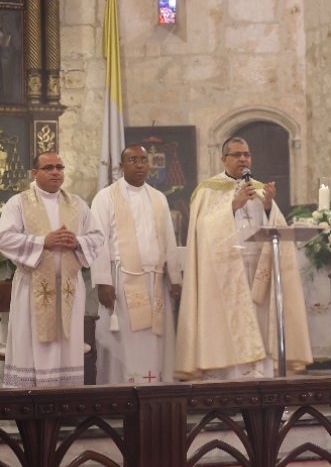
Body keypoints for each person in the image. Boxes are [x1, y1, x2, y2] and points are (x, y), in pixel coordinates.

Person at [175, 137, 312, 380]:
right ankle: (230, 377)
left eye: (246, 154)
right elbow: (202, 231)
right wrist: (233, 206)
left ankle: (260, 376)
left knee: (259, 322)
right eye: (237, 155)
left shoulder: (259, 189)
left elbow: (277, 227)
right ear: (223, 159)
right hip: (226, 270)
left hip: (259, 268)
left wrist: (268, 205)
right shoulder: (207, 190)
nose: (243, 159)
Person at [0, 152, 103, 387]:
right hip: (31, 289)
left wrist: (77, 242)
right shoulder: (20, 202)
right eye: (48, 168)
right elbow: (4, 237)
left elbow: (97, 236)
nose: (56, 172)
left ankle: (63, 406)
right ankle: (30, 407)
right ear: (35, 173)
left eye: (59, 167)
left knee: (66, 349)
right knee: (33, 345)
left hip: (68, 289)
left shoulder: (77, 204)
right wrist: (43, 242)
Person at [90, 145, 179, 384]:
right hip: (122, 282)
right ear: (121, 165)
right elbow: (98, 241)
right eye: (133, 160)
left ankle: (155, 390)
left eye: (143, 160)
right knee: (126, 342)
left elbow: (169, 239)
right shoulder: (106, 197)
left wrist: (175, 278)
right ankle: (121, 391)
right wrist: (102, 281)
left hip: (156, 282)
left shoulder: (158, 198)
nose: (140, 164)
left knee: (154, 340)